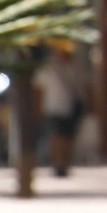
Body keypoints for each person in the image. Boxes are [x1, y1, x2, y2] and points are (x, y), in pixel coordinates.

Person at [37, 48, 84, 178]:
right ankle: (57, 164)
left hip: (70, 108)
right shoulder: (47, 68)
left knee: (67, 137)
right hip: (53, 107)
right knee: (56, 136)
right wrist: (38, 109)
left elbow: (82, 87)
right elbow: (39, 89)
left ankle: (65, 163)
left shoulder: (73, 68)